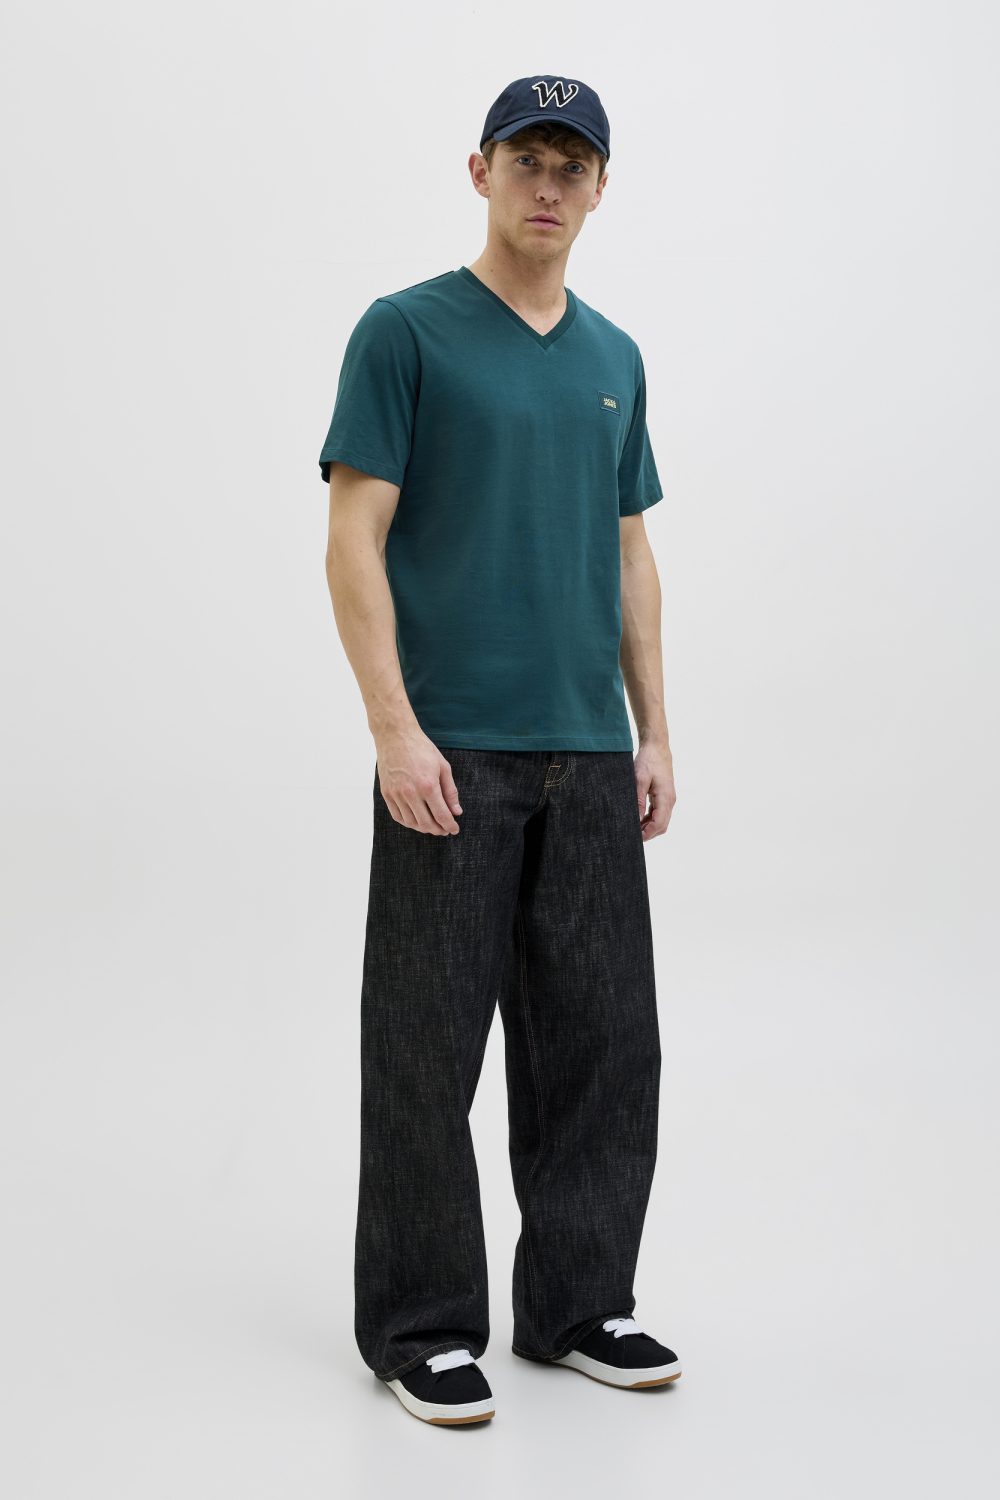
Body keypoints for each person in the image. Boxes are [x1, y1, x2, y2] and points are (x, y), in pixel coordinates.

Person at [321, 75, 680, 1427]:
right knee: (426, 1049)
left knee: (604, 1045)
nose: (549, 185)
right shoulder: (405, 332)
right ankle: (421, 1327)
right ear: (480, 171)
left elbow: (632, 554)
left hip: (588, 753)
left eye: (572, 166)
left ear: (600, 190)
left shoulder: (614, 357)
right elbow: (353, 534)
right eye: (527, 158)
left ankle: (581, 1305)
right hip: (451, 753)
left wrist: (654, 731)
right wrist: (393, 729)